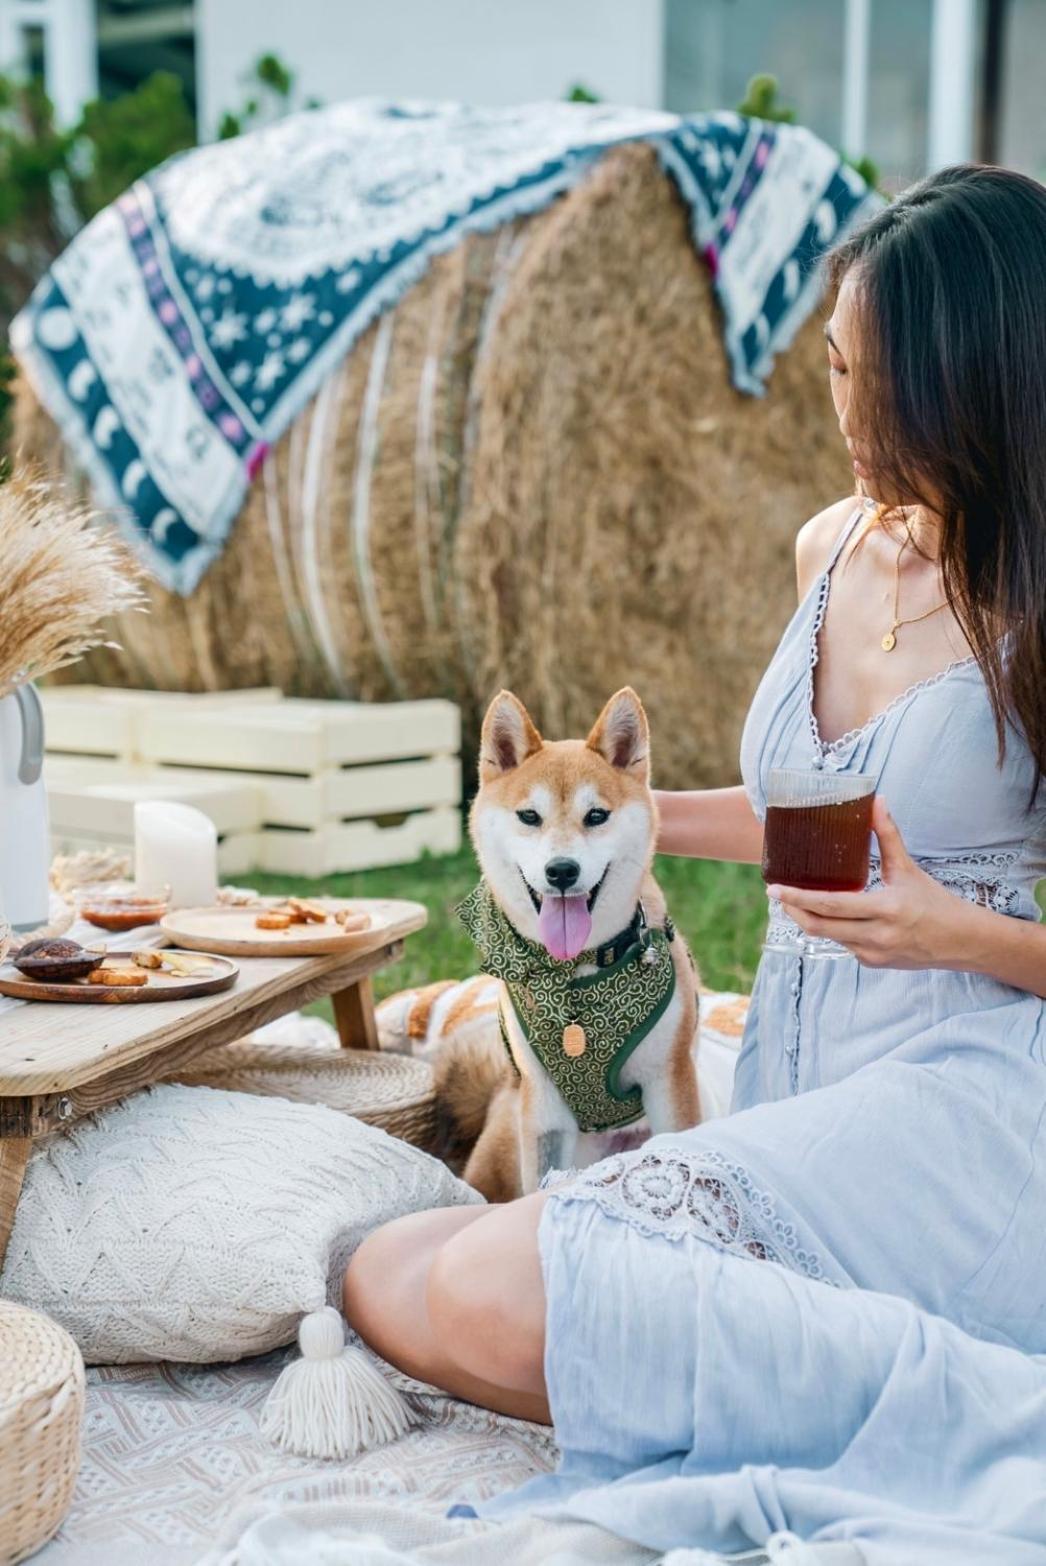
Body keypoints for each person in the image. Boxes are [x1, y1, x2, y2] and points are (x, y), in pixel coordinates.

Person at [342, 165, 1046, 1559]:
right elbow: (806, 818)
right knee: (379, 1267)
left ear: (971, 375)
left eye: (879, 379)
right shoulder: (826, 545)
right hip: (797, 1053)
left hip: (969, 1093)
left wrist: (951, 929)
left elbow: (918, 895)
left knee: (483, 1283)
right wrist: (601, 822)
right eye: (834, 366)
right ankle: (869, 1384)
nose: (841, 411)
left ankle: (967, 1399)